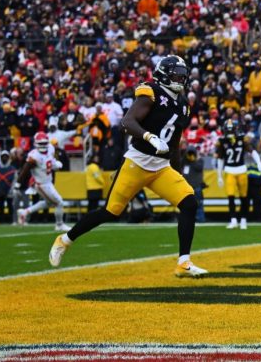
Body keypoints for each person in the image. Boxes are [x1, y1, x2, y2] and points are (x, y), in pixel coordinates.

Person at [49, 55, 207, 278]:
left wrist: (178, 172)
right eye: (176, 75)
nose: (181, 79)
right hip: (137, 162)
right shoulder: (151, 92)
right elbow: (128, 121)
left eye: (183, 75)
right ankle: (64, 240)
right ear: (163, 74)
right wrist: (150, 137)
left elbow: (175, 145)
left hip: (161, 168)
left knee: (189, 203)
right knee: (110, 212)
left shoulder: (183, 105)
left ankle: (183, 263)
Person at [15, 132, 71, 231]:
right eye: (40, 144)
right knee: (59, 202)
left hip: (48, 181)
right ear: (36, 144)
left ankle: (25, 212)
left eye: (44, 143)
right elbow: (25, 170)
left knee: (49, 203)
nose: (43, 145)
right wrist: (18, 183)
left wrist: (55, 165)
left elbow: (49, 162)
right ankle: (59, 224)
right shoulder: (34, 156)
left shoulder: (50, 148)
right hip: (41, 184)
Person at [217, 119, 261, 230]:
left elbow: (252, 151)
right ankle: (233, 220)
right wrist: (219, 175)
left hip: (241, 170)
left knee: (244, 197)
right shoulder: (222, 142)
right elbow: (220, 159)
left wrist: (259, 163)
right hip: (229, 170)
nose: (229, 133)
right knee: (231, 196)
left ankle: (243, 220)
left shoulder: (242, 139)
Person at [182, 147, 206, 223]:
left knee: (199, 203)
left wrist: (194, 160)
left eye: (192, 153)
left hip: (197, 186)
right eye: (189, 153)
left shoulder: (200, 160)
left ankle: (200, 220)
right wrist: (185, 155)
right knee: (187, 204)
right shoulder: (185, 161)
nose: (191, 155)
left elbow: (199, 167)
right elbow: (180, 162)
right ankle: (189, 219)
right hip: (187, 187)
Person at [0, 151, 16, 223]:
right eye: (3, 157)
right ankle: (1, 220)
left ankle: (10, 220)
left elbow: (15, 179)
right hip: (0, 189)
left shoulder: (12, 168)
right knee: (1, 206)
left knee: (10, 205)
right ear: (0, 158)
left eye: (6, 157)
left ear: (8, 158)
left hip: (9, 189)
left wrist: (12, 189)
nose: (4, 158)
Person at [246, 145, 261, 222]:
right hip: (248, 180)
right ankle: (246, 217)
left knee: (257, 200)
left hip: (256, 180)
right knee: (246, 201)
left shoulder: (259, 156)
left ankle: (259, 217)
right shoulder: (246, 156)